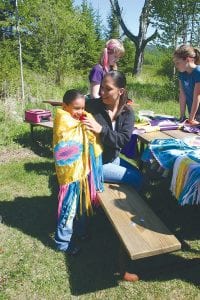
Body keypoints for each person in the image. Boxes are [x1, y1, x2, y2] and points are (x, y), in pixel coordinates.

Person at [83, 70, 143, 281]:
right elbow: (69, 107)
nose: (102, 91)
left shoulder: (127, 113)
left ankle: (122, 216)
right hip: (95, 163)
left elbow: (122, 141)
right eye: (102, 87)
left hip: (112, 159)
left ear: (121, 91)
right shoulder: (93, 106)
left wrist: (101, 129)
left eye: (108, 88)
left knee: (139, 174)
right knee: (137, 179)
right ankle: (124, 223)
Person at [53, 89, 103, 255]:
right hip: (71, 173)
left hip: (84, 170)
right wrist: (83, 125)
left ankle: (81, 231)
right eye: (76, 108)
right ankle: (63, 242)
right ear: (64, 106)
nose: (80, 112)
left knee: (83, 202)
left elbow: (91, 138)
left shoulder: (83, 118)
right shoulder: (63, 121)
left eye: (82, 108)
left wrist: (87, 123)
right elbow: (65, 146)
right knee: (69, 207)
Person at [173, 44, 200, 124]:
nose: (176, 66)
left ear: (187, 59)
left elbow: (197, 97)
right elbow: (182, 95)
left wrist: (191, 118)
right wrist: (182, 116)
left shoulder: (198, 72)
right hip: (194, 114)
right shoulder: (182, 74)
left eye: (178, 63)